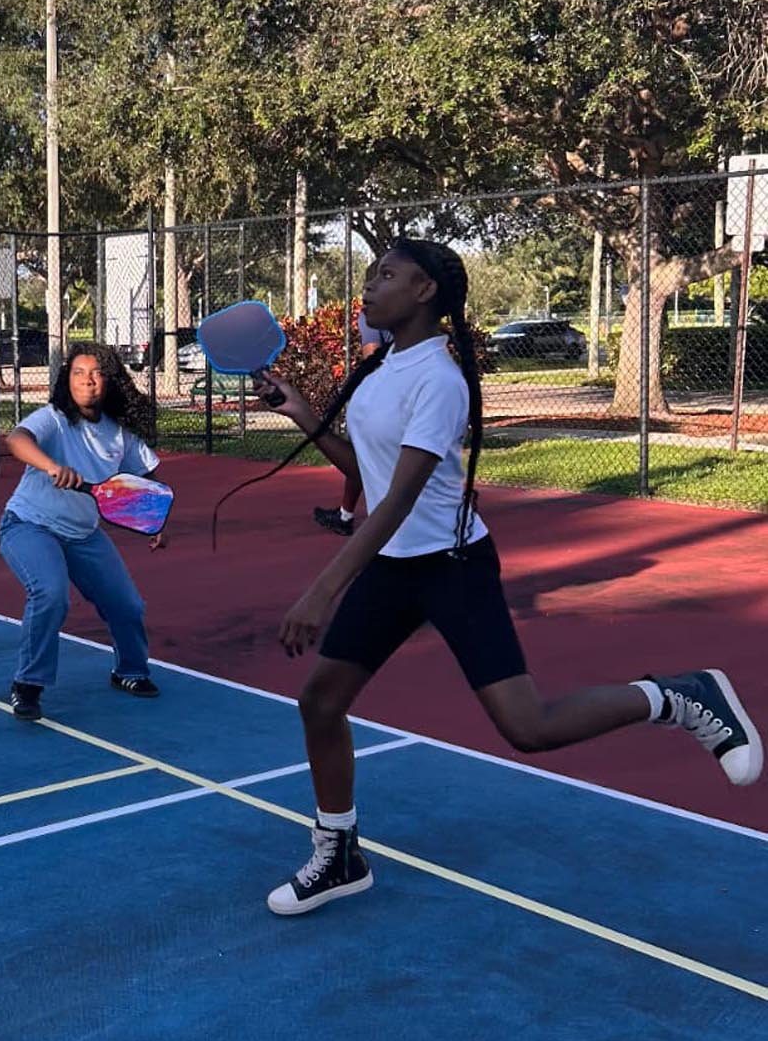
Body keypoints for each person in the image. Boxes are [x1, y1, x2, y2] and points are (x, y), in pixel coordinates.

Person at [254, 237, 762, 916]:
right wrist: (306, 414)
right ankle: (340, 852)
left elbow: (400, 497)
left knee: (528, 727)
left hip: (450, 566)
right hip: (393, 563)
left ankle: (679, 696)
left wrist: (322, 590)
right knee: (320, 701)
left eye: (386, 275)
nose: (370, 287)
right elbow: (367, 474)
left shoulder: (439, 379)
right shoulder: (384, 368)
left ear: (425, 291)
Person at [0, 341, 165, 721]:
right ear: (66, 380)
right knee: (51, 593)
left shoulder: (119, 432)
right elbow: (17, 440)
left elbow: (147, 476)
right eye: (78, 373)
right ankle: (28, 684)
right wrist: (51, 466)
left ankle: (129, 672)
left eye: (95, 373)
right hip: (29, 526)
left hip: (83, 534)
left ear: (109, 381)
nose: (87, 381)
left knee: (127, 604)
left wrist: (155, 520)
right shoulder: (54, 419)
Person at [313, 274, 388, 536]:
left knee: (361, 457)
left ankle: (348, 517)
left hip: (384, 396)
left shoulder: (371, 315)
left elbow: (372, 356)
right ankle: (345, 515)